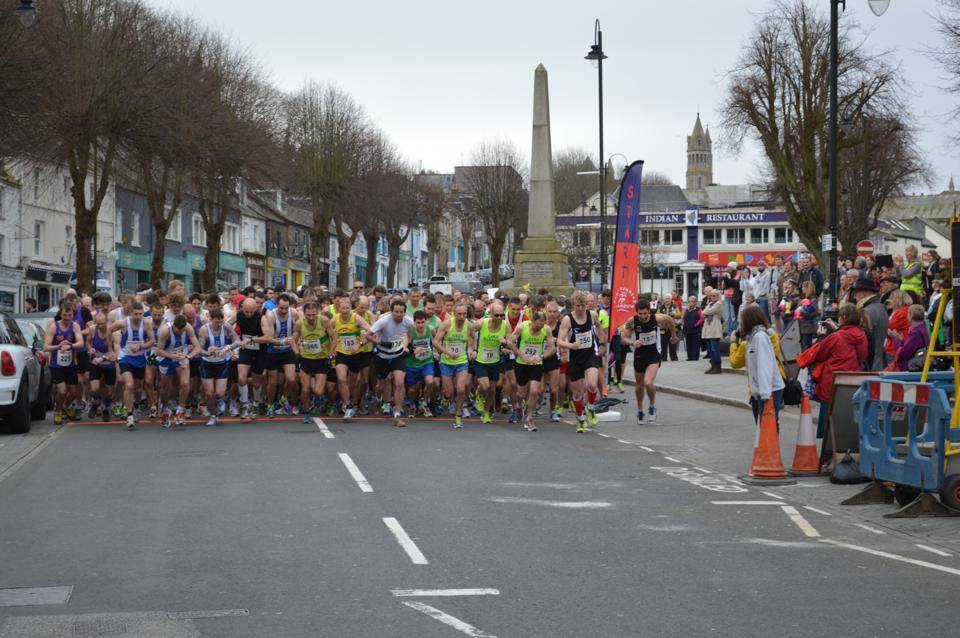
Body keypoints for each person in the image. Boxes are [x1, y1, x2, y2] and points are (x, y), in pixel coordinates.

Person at [797, 304, 868, 437]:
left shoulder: (836, 337)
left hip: (832, 380)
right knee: (846, 415)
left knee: (828, 417)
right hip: (852, 379)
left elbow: (821, 353)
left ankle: (827, 449)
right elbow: (863, 355)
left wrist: (821, 337)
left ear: (844, 318)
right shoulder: (861, 335)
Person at [620, 299, 676, 425]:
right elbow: (624, 338)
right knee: (639, 385)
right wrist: (633, 342)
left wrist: (673, 335)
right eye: (640, 314)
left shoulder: (657, 318)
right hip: (639, 356)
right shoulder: (632, 322)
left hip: (653, 355)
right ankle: (640, 410)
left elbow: (670, 320)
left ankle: (652, 406)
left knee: (648, 382)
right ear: (637, 312)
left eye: (645, 313)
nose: (643, 316)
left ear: (648, 311)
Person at [556, 290, 606, 432]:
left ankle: (590, 408)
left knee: (591, 384)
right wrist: (570, 345)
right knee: (577, 393)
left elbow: (598, 326)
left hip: (590, 354)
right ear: (573, 305)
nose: (580, 308)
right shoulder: (567, 320)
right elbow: (559, 341)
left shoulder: (592, 315)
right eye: (578, 306)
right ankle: (581, 419)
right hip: (575, 359)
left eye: (583, 305)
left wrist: (602, 343)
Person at [729, 306, 785, 427]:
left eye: (742, 322)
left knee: (766, 425)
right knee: (764, 425)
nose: (740, 326)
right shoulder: (753, 338)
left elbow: (764, 365)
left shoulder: (760, 337)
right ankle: (766, 445)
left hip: (768, 389)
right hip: (762, 389)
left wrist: (765, 394)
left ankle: (769, 446)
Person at [368, 298, 413, 427]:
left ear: (405, 312)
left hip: (397, 356)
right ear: (391, 311)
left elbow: (409, 335)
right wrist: (381, 343)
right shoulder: (383, 321)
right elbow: (368, 335)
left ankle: (397, 415)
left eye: (401, 312)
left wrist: (405, 345)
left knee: (399, 383)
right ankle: (378, 399)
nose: (399, 315)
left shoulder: (408, 322)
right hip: (382, 356)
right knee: (380, 386)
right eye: (396, 312)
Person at [110, 301, 155, 430]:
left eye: (140, 314)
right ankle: (129, 414)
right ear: (131, 313)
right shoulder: (123, 323)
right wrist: (110, 349)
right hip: (125, 358)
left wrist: (141, 346)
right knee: (129, 385)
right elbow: (109, 329)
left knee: (138, 388)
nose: (138, 316)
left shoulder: (146, 323)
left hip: (141, 359)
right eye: (135, 314)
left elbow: (152, 341)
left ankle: (135, 405)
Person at [509, 310, 555, 432]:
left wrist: (541, 357)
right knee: (521, 393)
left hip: (536, 363)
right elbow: (510, 342)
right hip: (521, 363)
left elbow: (552, 349)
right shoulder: (522, 327)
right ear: (532, 321)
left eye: (542, 324)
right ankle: (518, 405)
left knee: (535, 391)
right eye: (538, 324)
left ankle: (529, 417)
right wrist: (522, 355)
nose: (540, 327)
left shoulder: (546, 329)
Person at [292, 301, 337, 424]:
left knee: (318, 391)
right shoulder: (299, 323)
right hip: (306, 359)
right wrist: (296, 353)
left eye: (313, 314)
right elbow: (293, 340)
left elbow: (334, 338)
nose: (311, 317)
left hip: (321, 360)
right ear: (304, 314)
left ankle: (317, 400)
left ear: (317, 313)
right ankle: (307, 412)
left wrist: (331, 354)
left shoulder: (323, 321)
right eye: (308, 315)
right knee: (305, 389)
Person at [154, 314, 201, 427]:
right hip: (166, 358)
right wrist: (174, 357)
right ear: (174, 326)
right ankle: (165, 410)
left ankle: (180, 410)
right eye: (178, 330)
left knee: (185, 384)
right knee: (165, 388)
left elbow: (198, 347)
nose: (180, 332)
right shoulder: (165, 330)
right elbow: (158, 351)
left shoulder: (188, 328)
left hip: (182, 358)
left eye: (182, 329)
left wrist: (188, 357)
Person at [198, 308, 239, 426]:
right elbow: (200, 350)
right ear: (211, 320)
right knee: (209, 393)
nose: (220, 324)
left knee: (219, 393)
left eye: (221, 321)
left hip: (222, 364)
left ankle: (219, 400)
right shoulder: (204, 330)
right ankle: (213, 415)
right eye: (217, 322)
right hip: (207, 363)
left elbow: (237, 340)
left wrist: (227, 348)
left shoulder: (226, 327)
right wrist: (208, 352)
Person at [45, 300, 84, 425]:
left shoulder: (75, 326)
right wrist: (58, 346)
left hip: (71, 364)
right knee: (62, 391)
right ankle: (58, 410)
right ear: (60, 314)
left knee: (74, 392)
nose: (67, 318)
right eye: (64, 315)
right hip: (56, 364)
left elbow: (81, 343)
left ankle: (65, 406)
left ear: (73, 315)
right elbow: (46, 346)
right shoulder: (53, 326)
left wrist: (70, 346)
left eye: (70, 315)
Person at [434, 302, 473, 429]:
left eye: (464, 314)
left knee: (461, 388)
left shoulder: (469, 326)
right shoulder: (446, 325)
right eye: (459, 314)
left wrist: (473, 351)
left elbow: (472, 341)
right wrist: (447, 352)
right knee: (449, 392)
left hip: (462, 361)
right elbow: (435, 342)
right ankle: (451, 401)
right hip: (446, 362)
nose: (462, 317)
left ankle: (458, 413)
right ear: (454, 314)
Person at [261, 293, 299, 417]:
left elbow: (299, 329)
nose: (283, 311)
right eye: (281, 308)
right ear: (277, 305)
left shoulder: (294, 313)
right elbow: (269, 338)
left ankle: (283, 398)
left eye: (286, 308)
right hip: (273, 351)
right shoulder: (271, 315)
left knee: (291, 379)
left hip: (287, 350)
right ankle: (270, 405)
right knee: (273, 382)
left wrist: (297, 340)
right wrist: (282, 341)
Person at [470, 300, 508, 424]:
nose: (499, 318)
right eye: (496, 315)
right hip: (481, 359)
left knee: (492, 389)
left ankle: (486, 413)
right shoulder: (482, 323)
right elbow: (470, 333)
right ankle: (478, 395)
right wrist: (473, 349)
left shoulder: (505, 325)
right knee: (485, 386)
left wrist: (506, 346)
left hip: (495, 360)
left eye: (502, 315)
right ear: (490, 314)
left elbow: (510, 341)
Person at [405, 309, 438, 419]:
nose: (420, 325)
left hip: (426, 361)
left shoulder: (431, 329)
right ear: (414, 322)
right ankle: (412, 404)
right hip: (412, 363)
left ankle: (424, 403)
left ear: (426, 321)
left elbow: (436, 341)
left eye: (423, 322)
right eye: (418, 322)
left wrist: (436, 352)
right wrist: (413, 349)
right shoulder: (410, 331)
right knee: (412, 389)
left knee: (430, 381)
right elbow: (405, 345)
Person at [852, 276, 888, 371]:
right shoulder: (879, 307)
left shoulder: (867, 311)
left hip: (871, 362)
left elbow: (860, 337)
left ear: (864, 293)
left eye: (856, 294)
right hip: (878, 359)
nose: (855, 297)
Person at [890, 305, 930, 372]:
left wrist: (895, 339)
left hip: (912, 368)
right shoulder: (923, 328)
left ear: (910, 316)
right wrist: (901, 340)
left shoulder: (915, 332)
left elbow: (904, 354)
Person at [883, 289, 912, 366]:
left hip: (894, 349)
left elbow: (886, 326)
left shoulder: (901, 313)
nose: (889, 301)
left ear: (898, 300)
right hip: (900, 347)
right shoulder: (907, 311)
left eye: (892, 298)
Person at [701, 289, 724, 374]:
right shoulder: (710, 304)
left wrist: (705, 312)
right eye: (711, 296)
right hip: (707, 329)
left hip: (715, 328)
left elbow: (707, 311)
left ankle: (718, 367)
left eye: (714, 296)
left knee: (715, 349)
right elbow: (703, 312)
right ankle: (713, 366)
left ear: (718, 296)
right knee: (710, 350)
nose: (712, 297)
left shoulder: (719, 304)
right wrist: (705, 312)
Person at [720, 262, 743, 334]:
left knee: (733, 316)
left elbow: (736, 283)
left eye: (729, 267)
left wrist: (729, 278)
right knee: (727, 316)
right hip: (727, 296)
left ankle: (734, 332)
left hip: (734, 296)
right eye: (727, 267)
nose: (728, 268)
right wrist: (724, 278)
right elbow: (723, 285)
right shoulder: (726, 274)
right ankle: (728, 332)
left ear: (734, 267)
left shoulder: (738, 274)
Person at [797, 280, 819, 351]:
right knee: (803, 345)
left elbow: (814, 313)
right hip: (802, 326)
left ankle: (808, 361)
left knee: (807, 346)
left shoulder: (813, 300)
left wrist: (802, 312)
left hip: (808, 327)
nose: (802, 288)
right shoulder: (803, 299)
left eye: (804, 287)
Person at [681, 295, 703, 361]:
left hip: (695, 329)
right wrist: (683, 323)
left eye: (693, 301)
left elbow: (702, 318)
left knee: (695, 343)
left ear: (696, 302)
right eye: (690, 301)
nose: (691, 303)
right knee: (688, 343)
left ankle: (695, 357)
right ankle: (689, 356)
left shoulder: (698, 309)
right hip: (687, 329)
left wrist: (696, 324)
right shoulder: (686, 309)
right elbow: (683, 318)